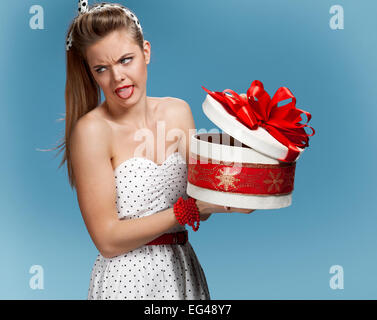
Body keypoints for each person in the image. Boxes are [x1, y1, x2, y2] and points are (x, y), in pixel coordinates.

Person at [60, 1, 254, 300]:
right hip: (125, 280)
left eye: (126, 60)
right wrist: (188, 211)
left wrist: (248, 182)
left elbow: (204, 197)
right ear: (91, 73)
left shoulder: (178, 112)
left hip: (181, 269)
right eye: (102, 68)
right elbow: (108, 240)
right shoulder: (92, 131)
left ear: (146, 52)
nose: (117, 77)